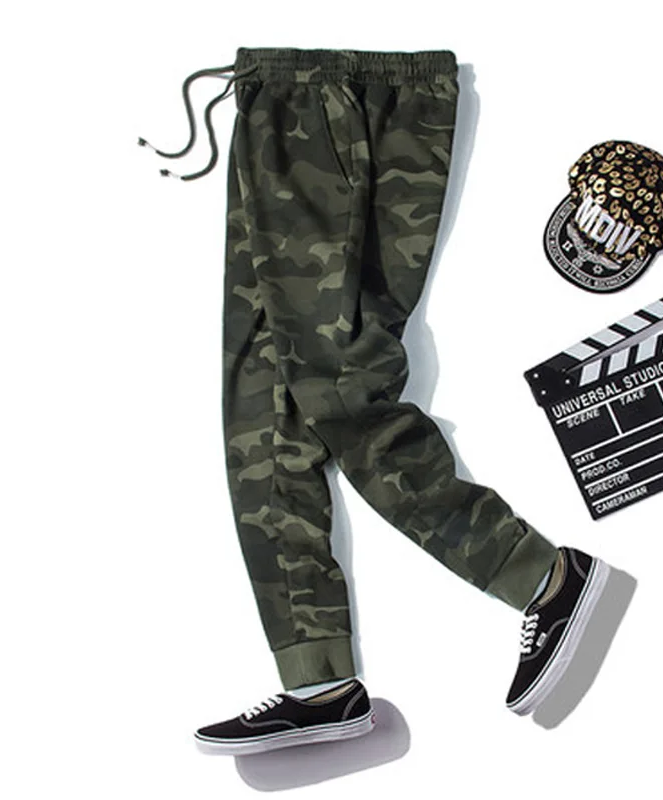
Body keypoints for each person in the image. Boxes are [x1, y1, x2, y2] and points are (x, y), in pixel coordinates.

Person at [139, 47, 611, 757]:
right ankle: (319, 681)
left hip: (319, 97)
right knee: (264, 417)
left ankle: (543, 577)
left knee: (338, 385)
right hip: (305, 96)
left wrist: (295, 97)